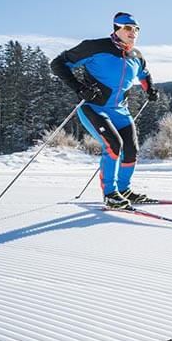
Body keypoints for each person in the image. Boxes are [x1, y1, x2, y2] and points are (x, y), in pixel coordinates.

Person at [50, 12, 160, 209]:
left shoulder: (136, 56)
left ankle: (124, 191)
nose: (133, 32)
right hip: (94, 107)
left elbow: (144, 75)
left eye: (136, 29)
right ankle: (110, 194)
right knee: (113, 145)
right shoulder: (96, 47)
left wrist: (150, 89)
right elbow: (58, 64)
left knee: (131, 150)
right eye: (128, 28)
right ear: (116, 29)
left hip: (120, 111)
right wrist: (79, 88)